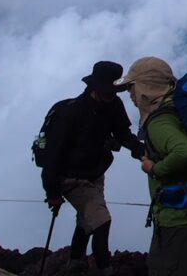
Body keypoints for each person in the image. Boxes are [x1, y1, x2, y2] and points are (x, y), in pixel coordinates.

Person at [116, 57, 187, 276]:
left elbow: (186, 152)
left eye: (131, 87)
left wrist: (154, 169)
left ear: (145, 87)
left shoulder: (159, 122)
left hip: (180, 219)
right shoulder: (184, 107)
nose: (130, 94)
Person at [41, 61, 145, 275]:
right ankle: (104, 270)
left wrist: (142, 151)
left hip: (95, 173)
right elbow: (53, 155)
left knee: (86, 220)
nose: (111, 96)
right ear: (95, 87)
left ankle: (75, 264)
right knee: (101, 222)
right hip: (71, 178)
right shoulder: (71, 113)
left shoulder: (113, 105)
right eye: (107, 92)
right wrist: (52, 192)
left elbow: (123, 134)